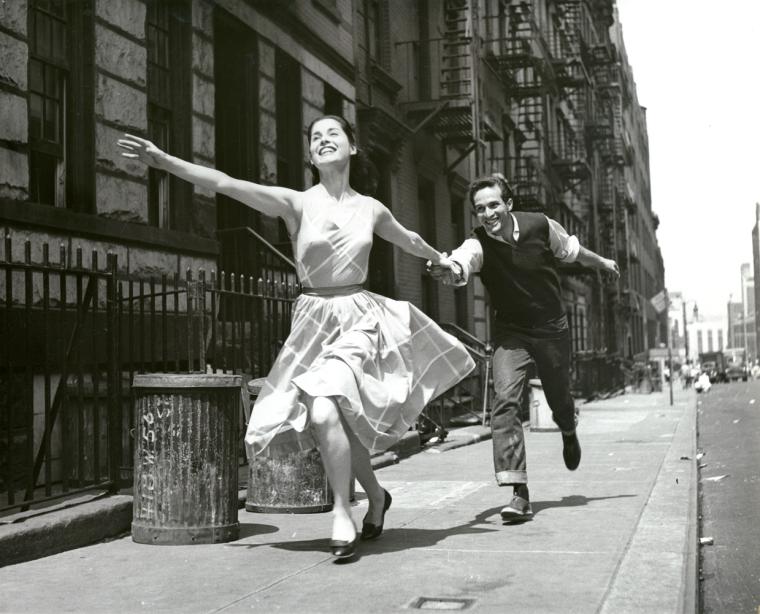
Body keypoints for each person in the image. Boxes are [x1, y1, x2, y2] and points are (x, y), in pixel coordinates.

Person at [118, 116, 475, 559]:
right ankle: (377, 497)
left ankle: (343, 512)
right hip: (312, 321)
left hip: (359, 319)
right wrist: (163, 159)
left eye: (334, 135)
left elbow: (409, 238)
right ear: (310, 155)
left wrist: (441, 260)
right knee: (333, 420)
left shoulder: (371, 208)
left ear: (353, 148)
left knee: (326, 407)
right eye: (315, 138)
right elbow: (226, 182)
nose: (324, 141)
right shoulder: (296, 203)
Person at [428, 173, 619, 522]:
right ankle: (519, 494)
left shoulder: (541, 226)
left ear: (509, 203)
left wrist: (603, 262)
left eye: (494, 205)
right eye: (480, 208)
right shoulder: (479, 243)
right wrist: (448, 270)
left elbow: (573, 251)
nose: (487, 213)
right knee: (505, 401)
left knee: (559, 396)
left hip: (551, 328)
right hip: (511, 332)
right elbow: (462, 262)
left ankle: (567, 427)